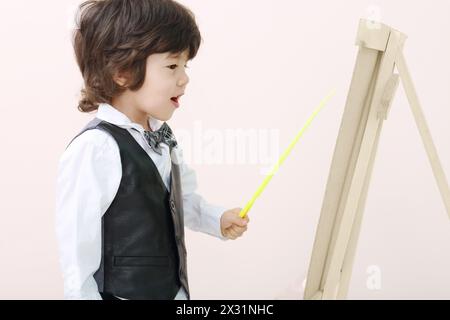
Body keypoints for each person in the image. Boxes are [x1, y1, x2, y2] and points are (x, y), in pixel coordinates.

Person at [55, 0, 249, 300]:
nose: (184, 78)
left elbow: (179, 202)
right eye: (172, 66)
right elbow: (78, 253)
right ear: (121, 71)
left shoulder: (163, 137)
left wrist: (217, 219)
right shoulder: (96, 149)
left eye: (186, 66)